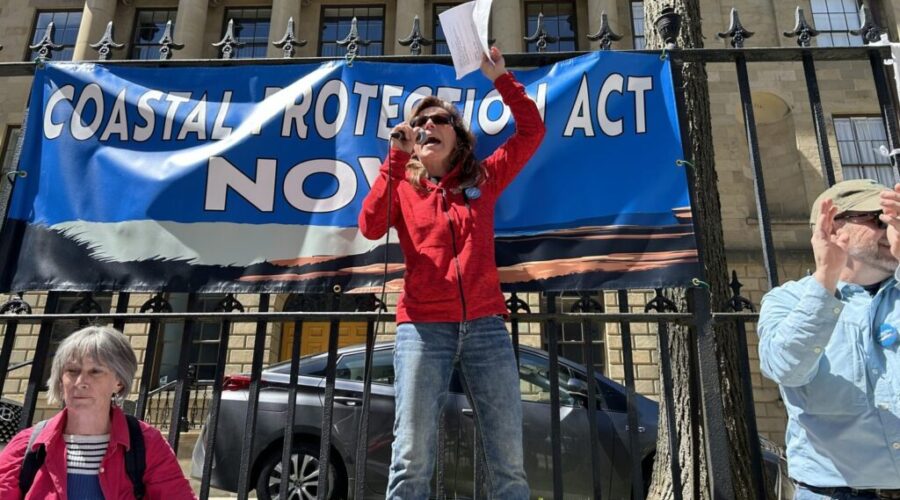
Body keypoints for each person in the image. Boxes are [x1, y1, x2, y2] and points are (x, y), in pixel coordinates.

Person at [358, 46, 545, 499]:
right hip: (423, 329)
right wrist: (395, 160)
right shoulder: (401, 184)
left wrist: (501, 78)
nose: (428, 126)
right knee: (411, 459)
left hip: (485, 327)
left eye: (439, 120)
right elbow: (369, 226)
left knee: (509, 463)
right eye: (421, 122)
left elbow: (532, 130)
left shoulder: (483, 178)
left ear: (457, 136)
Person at [758, 178, 900, 500]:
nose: (891, 228)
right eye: (879, 219)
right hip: (833, 493)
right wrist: (826, 279)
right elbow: (786, 368)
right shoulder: (788, 301)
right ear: (835, 228)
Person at [0, 325, 196, 499]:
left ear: (119, 381)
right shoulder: (28, 446)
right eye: (72, 371)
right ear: (60, 379)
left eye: (95, 371)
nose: (80, 382)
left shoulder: (146, 444)